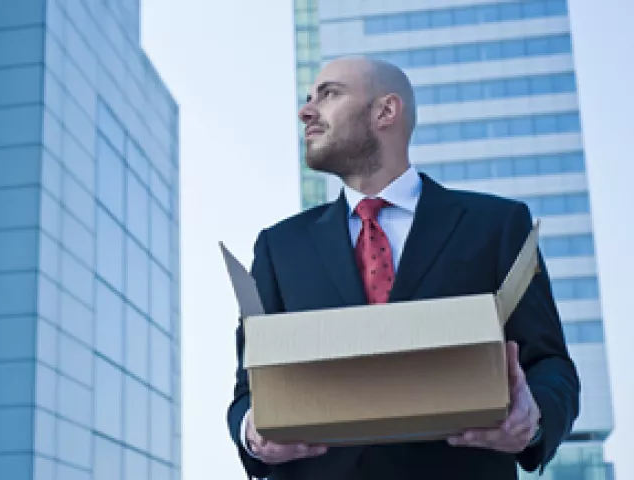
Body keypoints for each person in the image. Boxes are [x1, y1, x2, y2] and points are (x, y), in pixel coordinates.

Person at [225, 57, 580, 480]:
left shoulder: (497, 225)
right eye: (308, 98)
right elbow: (249, 389)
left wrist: (533, 418)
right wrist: (252, 433)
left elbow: (551, 365)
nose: (306, 111)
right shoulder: (280, 246)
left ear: (386, 111)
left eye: (329, 94)